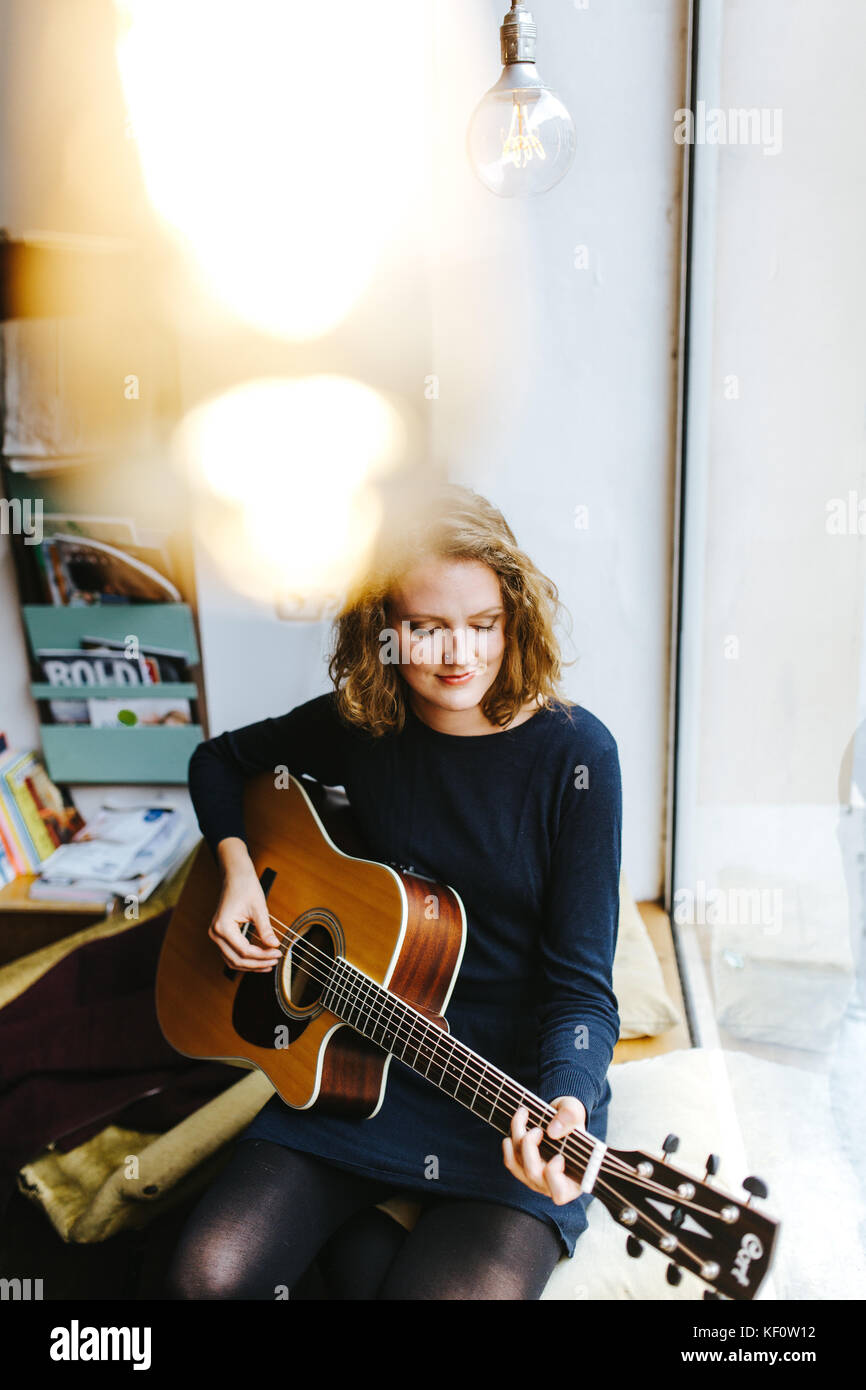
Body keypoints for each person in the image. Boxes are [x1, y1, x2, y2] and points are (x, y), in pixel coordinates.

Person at [165, 481, 622, 1301]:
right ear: (382, 630)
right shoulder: (366, 728)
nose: (460, 656)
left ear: (514, 618)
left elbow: (583, 989)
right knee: (207, 1276)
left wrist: (567, 1102)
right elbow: (218, 761)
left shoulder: (577, 758)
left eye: (483, 625)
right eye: (427, 628)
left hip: (504, 1093)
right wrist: (238, 872)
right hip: (357, 1057)